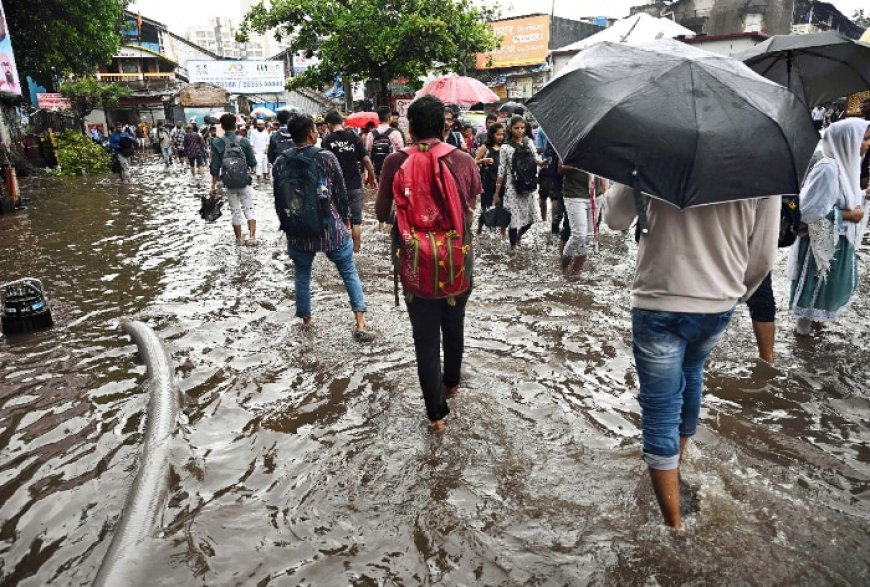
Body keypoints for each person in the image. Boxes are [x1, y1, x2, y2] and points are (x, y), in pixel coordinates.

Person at [603, 175, 779, 528]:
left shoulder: (651, 148)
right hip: (717, 303)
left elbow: (615, 220)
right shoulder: (763, 163)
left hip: (659, 298)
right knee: (692, 374)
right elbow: (762, 255)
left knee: (660, 408)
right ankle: (675, 467)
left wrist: (625, 175)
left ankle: (674, 527)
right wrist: (734, 293)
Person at [374, 95, 481, 431]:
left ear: (410, 127)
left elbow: (380, 213)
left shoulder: (395, 161)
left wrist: (410, 218)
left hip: (415, 264)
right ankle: (452, 385)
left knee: (424, 340)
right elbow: (470, 206)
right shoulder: (464, 160)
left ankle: (436, 417)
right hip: (457, 261)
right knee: (455, 325)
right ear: (443, 125)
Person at [275, 114, 373, 340]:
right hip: (329, 228)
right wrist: (346, 221)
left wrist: (287, 226)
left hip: (297, 229)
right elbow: (340, 193)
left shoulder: (281, 161)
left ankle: (306, 321)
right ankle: (360, 324)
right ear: (311, 133)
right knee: (348, 271)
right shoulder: (326, 157)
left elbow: (278, 198)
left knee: (302, 273)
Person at [789, 119, 869, 336]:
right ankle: (803, 340)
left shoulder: (846, 166)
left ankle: (814, 332)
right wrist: (850, 215)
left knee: (825, 292)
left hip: (836, 242)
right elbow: (808, 211)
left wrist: (863, 195)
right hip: (821, 245)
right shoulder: (828, 168)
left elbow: (836, 199)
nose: (867, 144)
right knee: (813, 291)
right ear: (847, 140)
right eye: (864, 139)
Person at [322, 110, 377, 253]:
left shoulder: (327, 141)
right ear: (342, 122)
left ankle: (341, 252)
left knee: (338, 221)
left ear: (328, 125)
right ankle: (356, 252)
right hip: (355, 185)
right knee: (356, 221)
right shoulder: (354, 136)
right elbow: (366, 160)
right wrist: (373, 178)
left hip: (335, 188)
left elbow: (322, 166)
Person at [494, 115, 544, 251]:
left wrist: (542, 162)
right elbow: (501, 170)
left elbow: (536, 159)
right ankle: (513, 247)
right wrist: (497, 192)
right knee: (513, 220)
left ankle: (519, 236)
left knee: (532, 218)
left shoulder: (529, 142)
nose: (520, 131)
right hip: (512, 188)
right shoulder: (505, 147)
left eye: (522, 128)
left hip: (529, 185)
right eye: (516, 128)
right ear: (510, 129)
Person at [209, 113, 258, 245]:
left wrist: (213, 186)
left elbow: (215, 167)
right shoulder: (244, 141)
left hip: (229, 183)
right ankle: (252, 237)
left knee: (235, 211)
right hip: (244, 181)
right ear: (235, 125)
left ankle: (239, 239)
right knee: (249, 208)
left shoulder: (217, 142)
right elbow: (253, 162)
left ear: (222, 127)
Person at [559, 165, 603, 279]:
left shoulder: (601, 148)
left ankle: (575, 273)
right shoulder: (573, 147)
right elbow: (561, 168)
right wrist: (583, 163)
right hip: (575, 195)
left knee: (589, 237)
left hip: (596, 194)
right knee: (579, 235)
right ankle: (564, 271)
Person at [474, 121, 505, 234]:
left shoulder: (505, 147)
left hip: (502, 180)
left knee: (503, 206)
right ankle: (480, 226)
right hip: (488, 180)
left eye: (502, 134)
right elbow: (474, 162)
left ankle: (502, 231)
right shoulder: (485, 147)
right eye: (498, 134)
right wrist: (484, 160)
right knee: (485, 205)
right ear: (492, 135)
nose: (500, 137)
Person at [366, 106, 404, 177]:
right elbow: (401, 151)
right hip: (392, 170)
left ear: (378, 118)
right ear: (389, 117)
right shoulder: (396, 133)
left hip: (377, 170)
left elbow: (368, 151)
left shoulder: (371, 134)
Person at [249, 119, 272, 184]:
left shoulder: (265, 132)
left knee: (265, 163)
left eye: (261, 125)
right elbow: (251, 141)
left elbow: (268, 142)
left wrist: (267, 148)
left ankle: (265, 176)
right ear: (257, 125)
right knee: (258, 164)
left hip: (264, 150)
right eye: (259, 125)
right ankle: (258, 176)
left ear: (263, 125)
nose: (260, 126)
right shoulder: (253, 132)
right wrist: (253, 149)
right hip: (256, 150)